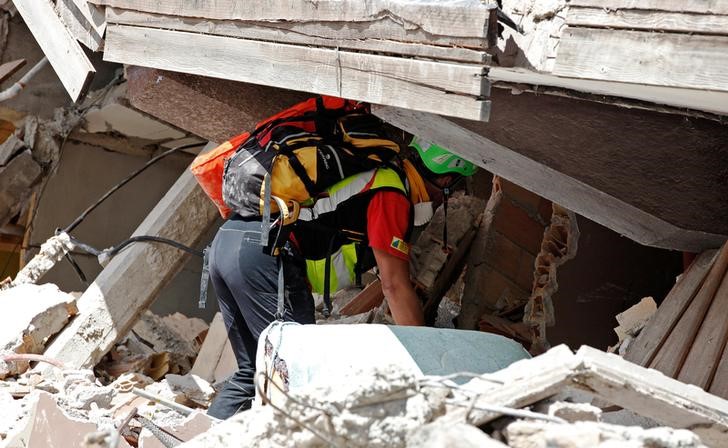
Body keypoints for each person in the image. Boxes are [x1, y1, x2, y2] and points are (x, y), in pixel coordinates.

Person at [206, 137, 476, 419]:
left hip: (229, 242)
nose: (445, 198)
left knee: (255, 371)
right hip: (264, 251)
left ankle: (201, 437)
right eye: (453, 187)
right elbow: (393, 284)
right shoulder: (392, 191)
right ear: (445, 178)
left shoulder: (376, 173)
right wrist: (428, 361)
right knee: (293, 374)